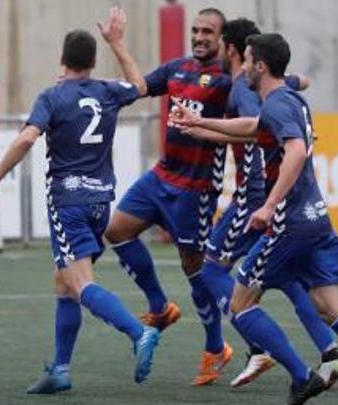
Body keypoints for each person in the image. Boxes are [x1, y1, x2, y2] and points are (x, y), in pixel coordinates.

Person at [171, 33, 338, 405]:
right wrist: (200, 123)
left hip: (290, 224)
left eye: (248, 61)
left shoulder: (280, 103)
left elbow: (297, 151)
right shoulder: (287, 100)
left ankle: (301, 376)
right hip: (315, 218)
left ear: (260, 66)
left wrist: (269, 205)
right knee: (330, 307)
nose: (244, 67)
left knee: (240, 304)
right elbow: (255, 126)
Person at [0, 28, 161, 394]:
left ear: (63, 60)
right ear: (92, 62)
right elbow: (140, 86)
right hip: (99, 203)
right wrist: (119, 43)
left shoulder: (53, 96)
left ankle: (140, 332)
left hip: (68, 202)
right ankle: (60, 370)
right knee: (63, 283)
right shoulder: (107, 91)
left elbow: (28, 137)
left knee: (79, 283)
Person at [196, 17, 338, 388]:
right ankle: (330, 351)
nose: (202, 41)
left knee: (213, 268)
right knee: (287, 276)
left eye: (210, 36)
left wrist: (260, 198)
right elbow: (297, 87)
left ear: (231, 50)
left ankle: (258, 346)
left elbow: (256, 125)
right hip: (267, 199)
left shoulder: (241, 89)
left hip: (255, 198)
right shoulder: (272, 88)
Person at [98, 6, 235, 384]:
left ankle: (215, 348)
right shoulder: (178, 68)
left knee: (196, 271)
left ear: (223, 40)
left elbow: (269, 89)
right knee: (117, 229)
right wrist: (117, 44)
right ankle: (160, 306)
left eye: (208, 32)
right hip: (162, 176)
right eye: (196, 30)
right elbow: (140, 87)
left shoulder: (230, 79)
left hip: (195, 189)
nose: (199, 37)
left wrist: (295, 82)